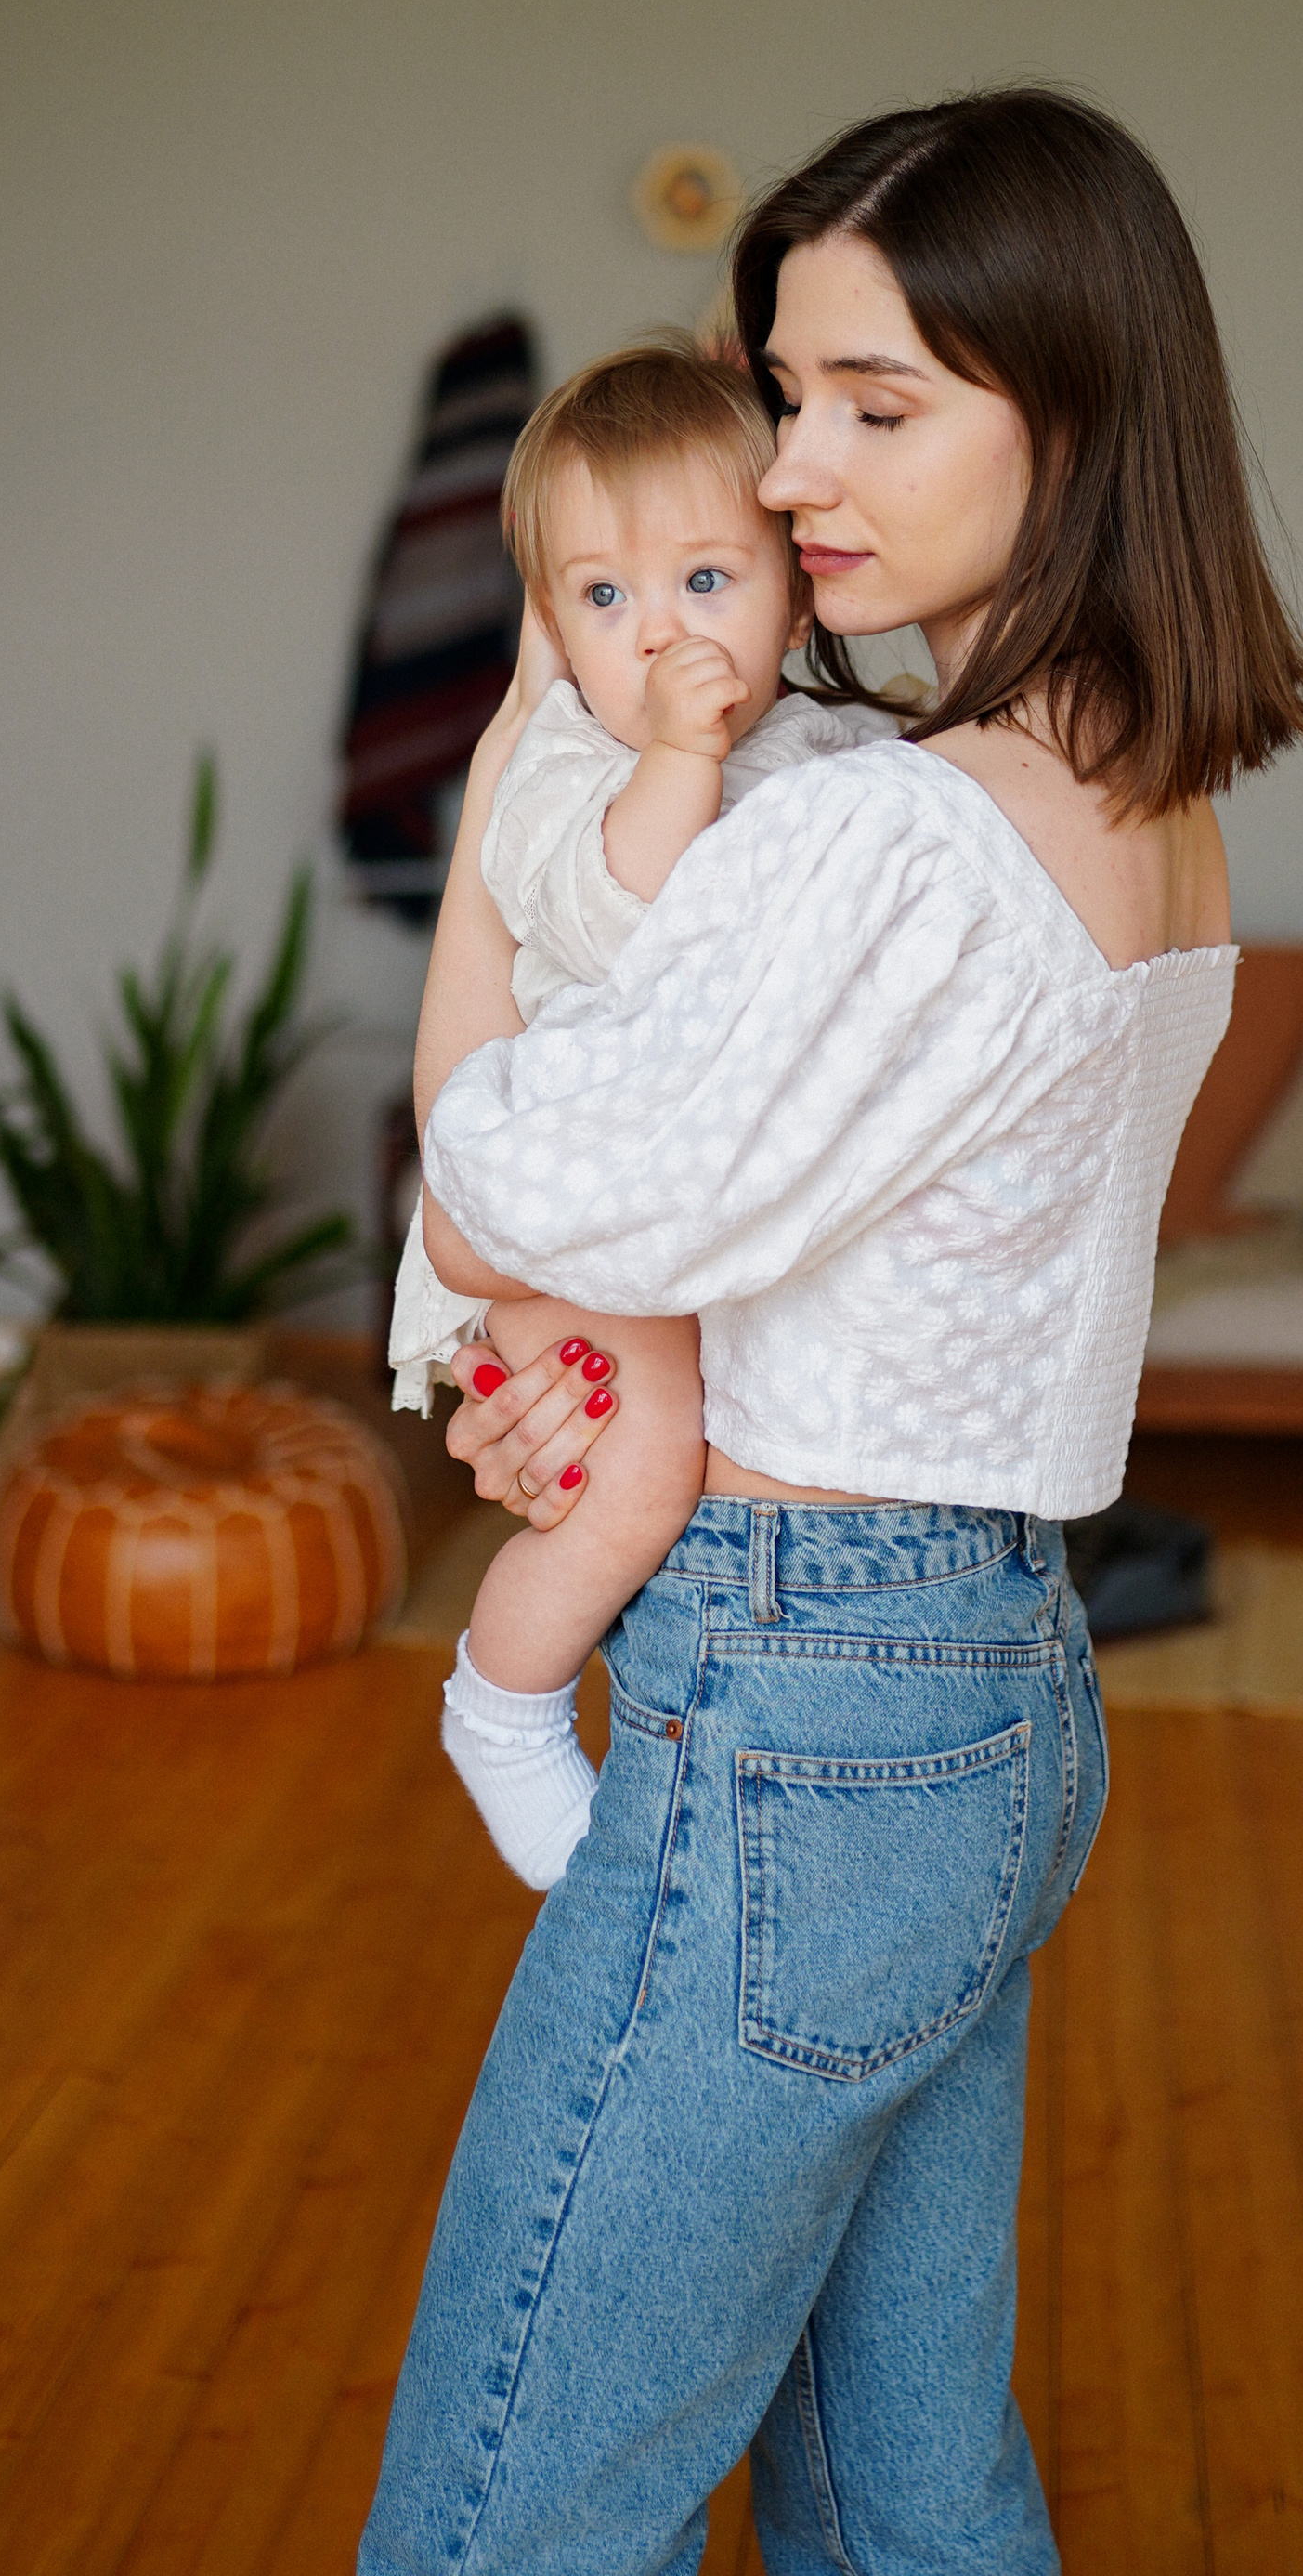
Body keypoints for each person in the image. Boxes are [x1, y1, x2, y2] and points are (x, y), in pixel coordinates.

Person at [360, 88, 1303, 2576]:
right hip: (984, 1683)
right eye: (789, 392)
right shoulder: (1140, 793)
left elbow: (507, 1186)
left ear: (1082, 415)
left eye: (882, 407)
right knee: (907, 2497)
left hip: (807, 1720)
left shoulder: (906, 832)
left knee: (508, 2501)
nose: (799, 470)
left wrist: (504, 811)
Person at [386, 337, 886, 1887]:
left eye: (704, 582)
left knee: (694, 1457)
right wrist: (672, 751)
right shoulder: (566, 767)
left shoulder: (822, 746)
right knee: (643, 1471)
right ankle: (506, 1701)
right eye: (602, 599)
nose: (658, 635)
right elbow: (624, 920)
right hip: (545, 1217)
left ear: (796, 593)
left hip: (652, 1211)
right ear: (552, 626)